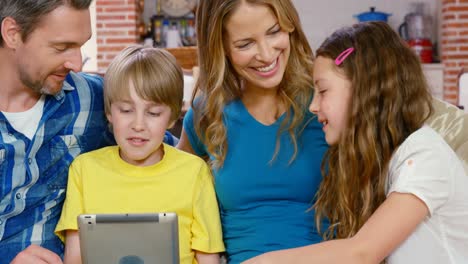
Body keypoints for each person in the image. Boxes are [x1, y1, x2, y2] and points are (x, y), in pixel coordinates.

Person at [243, 22, 468, 264]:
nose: (313, 106)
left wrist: (261, 262)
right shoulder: (379, 161)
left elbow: (361, 252)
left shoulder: (425, 155)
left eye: (323, 91)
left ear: (363, 90)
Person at [177, 0, 328, 262]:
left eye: (274, 32)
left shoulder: (324, 103)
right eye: (245, 44)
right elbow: (173, 187)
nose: (267, 55)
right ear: (221, 48)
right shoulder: (208, 115)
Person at [54, 45, 225, 264]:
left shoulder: (194, 172)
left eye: (153, 113)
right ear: (109, 112)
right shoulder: (84, 170)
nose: (138, 125)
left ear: (172, 118)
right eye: (126, 110)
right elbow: (75, 257)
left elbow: (207, 256)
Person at [0, 0, 113, 263]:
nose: (76, 63)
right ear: (12, 34)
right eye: (62, 47)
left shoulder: (92, 100)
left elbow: (172, 154)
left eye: (81, 45)